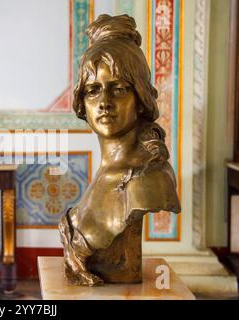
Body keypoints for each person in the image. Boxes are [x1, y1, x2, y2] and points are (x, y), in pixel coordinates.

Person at [59, 14, 181, 286]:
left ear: (140, 98)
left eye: (119, 89)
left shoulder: (151, 177)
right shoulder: (103, 176)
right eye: (92, 90)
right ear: (82, 102)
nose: (104, 102)